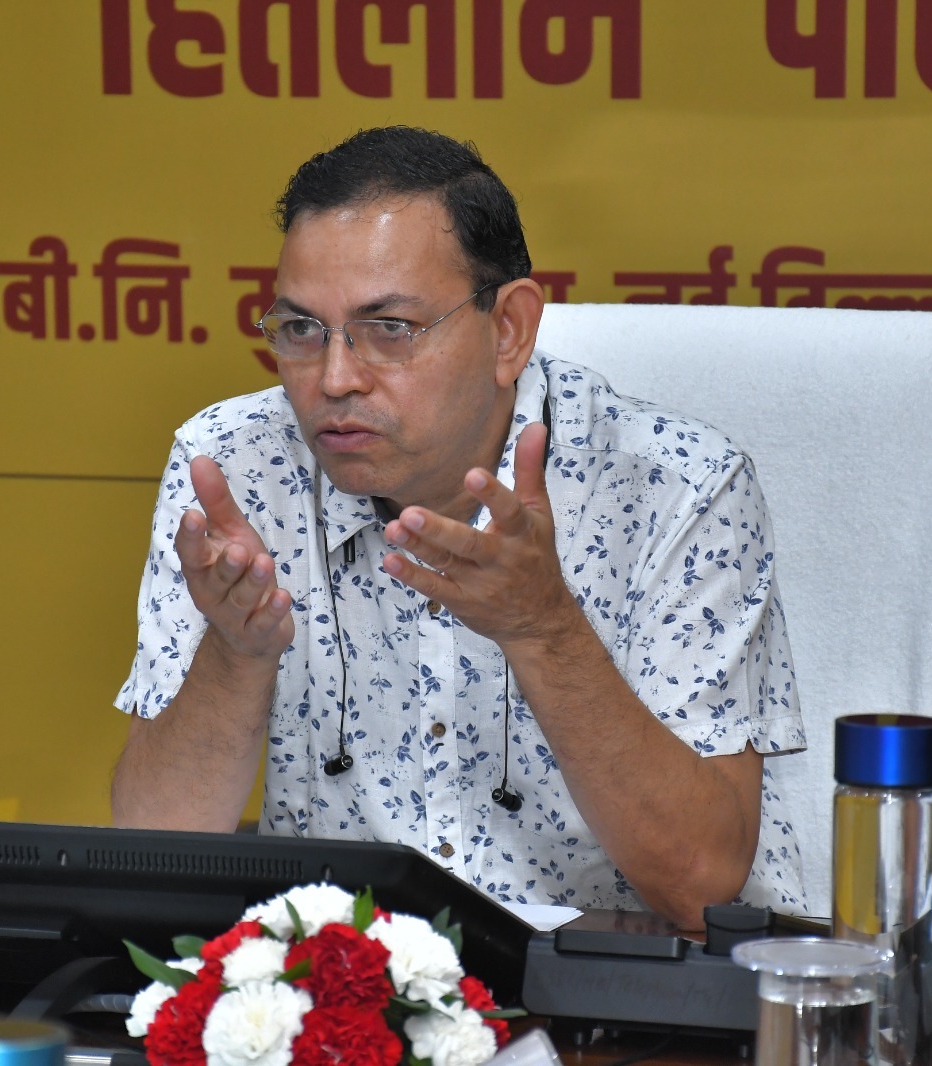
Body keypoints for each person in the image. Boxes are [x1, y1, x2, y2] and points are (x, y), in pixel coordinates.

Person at [112, 127, 805, 927]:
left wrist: (545, 629)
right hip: (345, 982)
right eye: (301, 330)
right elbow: (153, 855)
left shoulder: (676, 487)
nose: (334, 379)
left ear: (508, 329)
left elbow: (702, 887)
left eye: (389, 328)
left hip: (611, 980)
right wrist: (234, 655)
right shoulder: (231, 468)